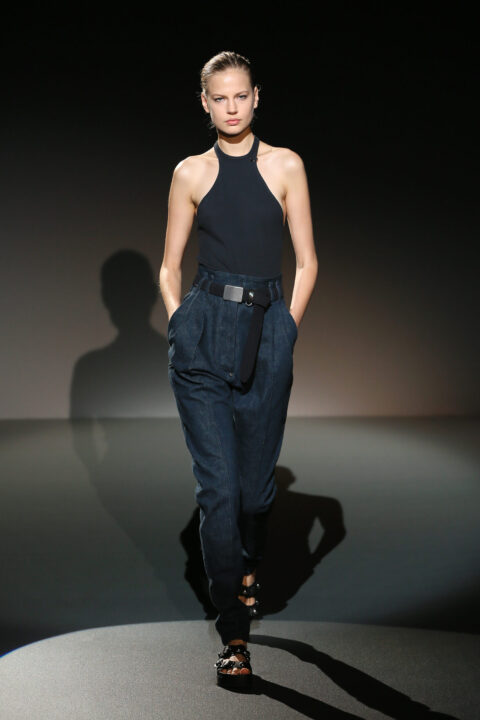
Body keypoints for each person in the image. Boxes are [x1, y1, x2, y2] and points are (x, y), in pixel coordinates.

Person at [159, 50, 317, 690]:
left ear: (257, 98)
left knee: (254, 494)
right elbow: (168, 265)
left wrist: (286, 328)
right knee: (219, 493)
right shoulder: (189, 173)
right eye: (219, 98)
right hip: (203, 331)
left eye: (241, 96)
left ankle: (249, 563)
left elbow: (307, 260)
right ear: (205, 102)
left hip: (267, 328)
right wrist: (178, 322)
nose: (231, 107)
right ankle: (234, 633)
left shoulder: (285, 165)